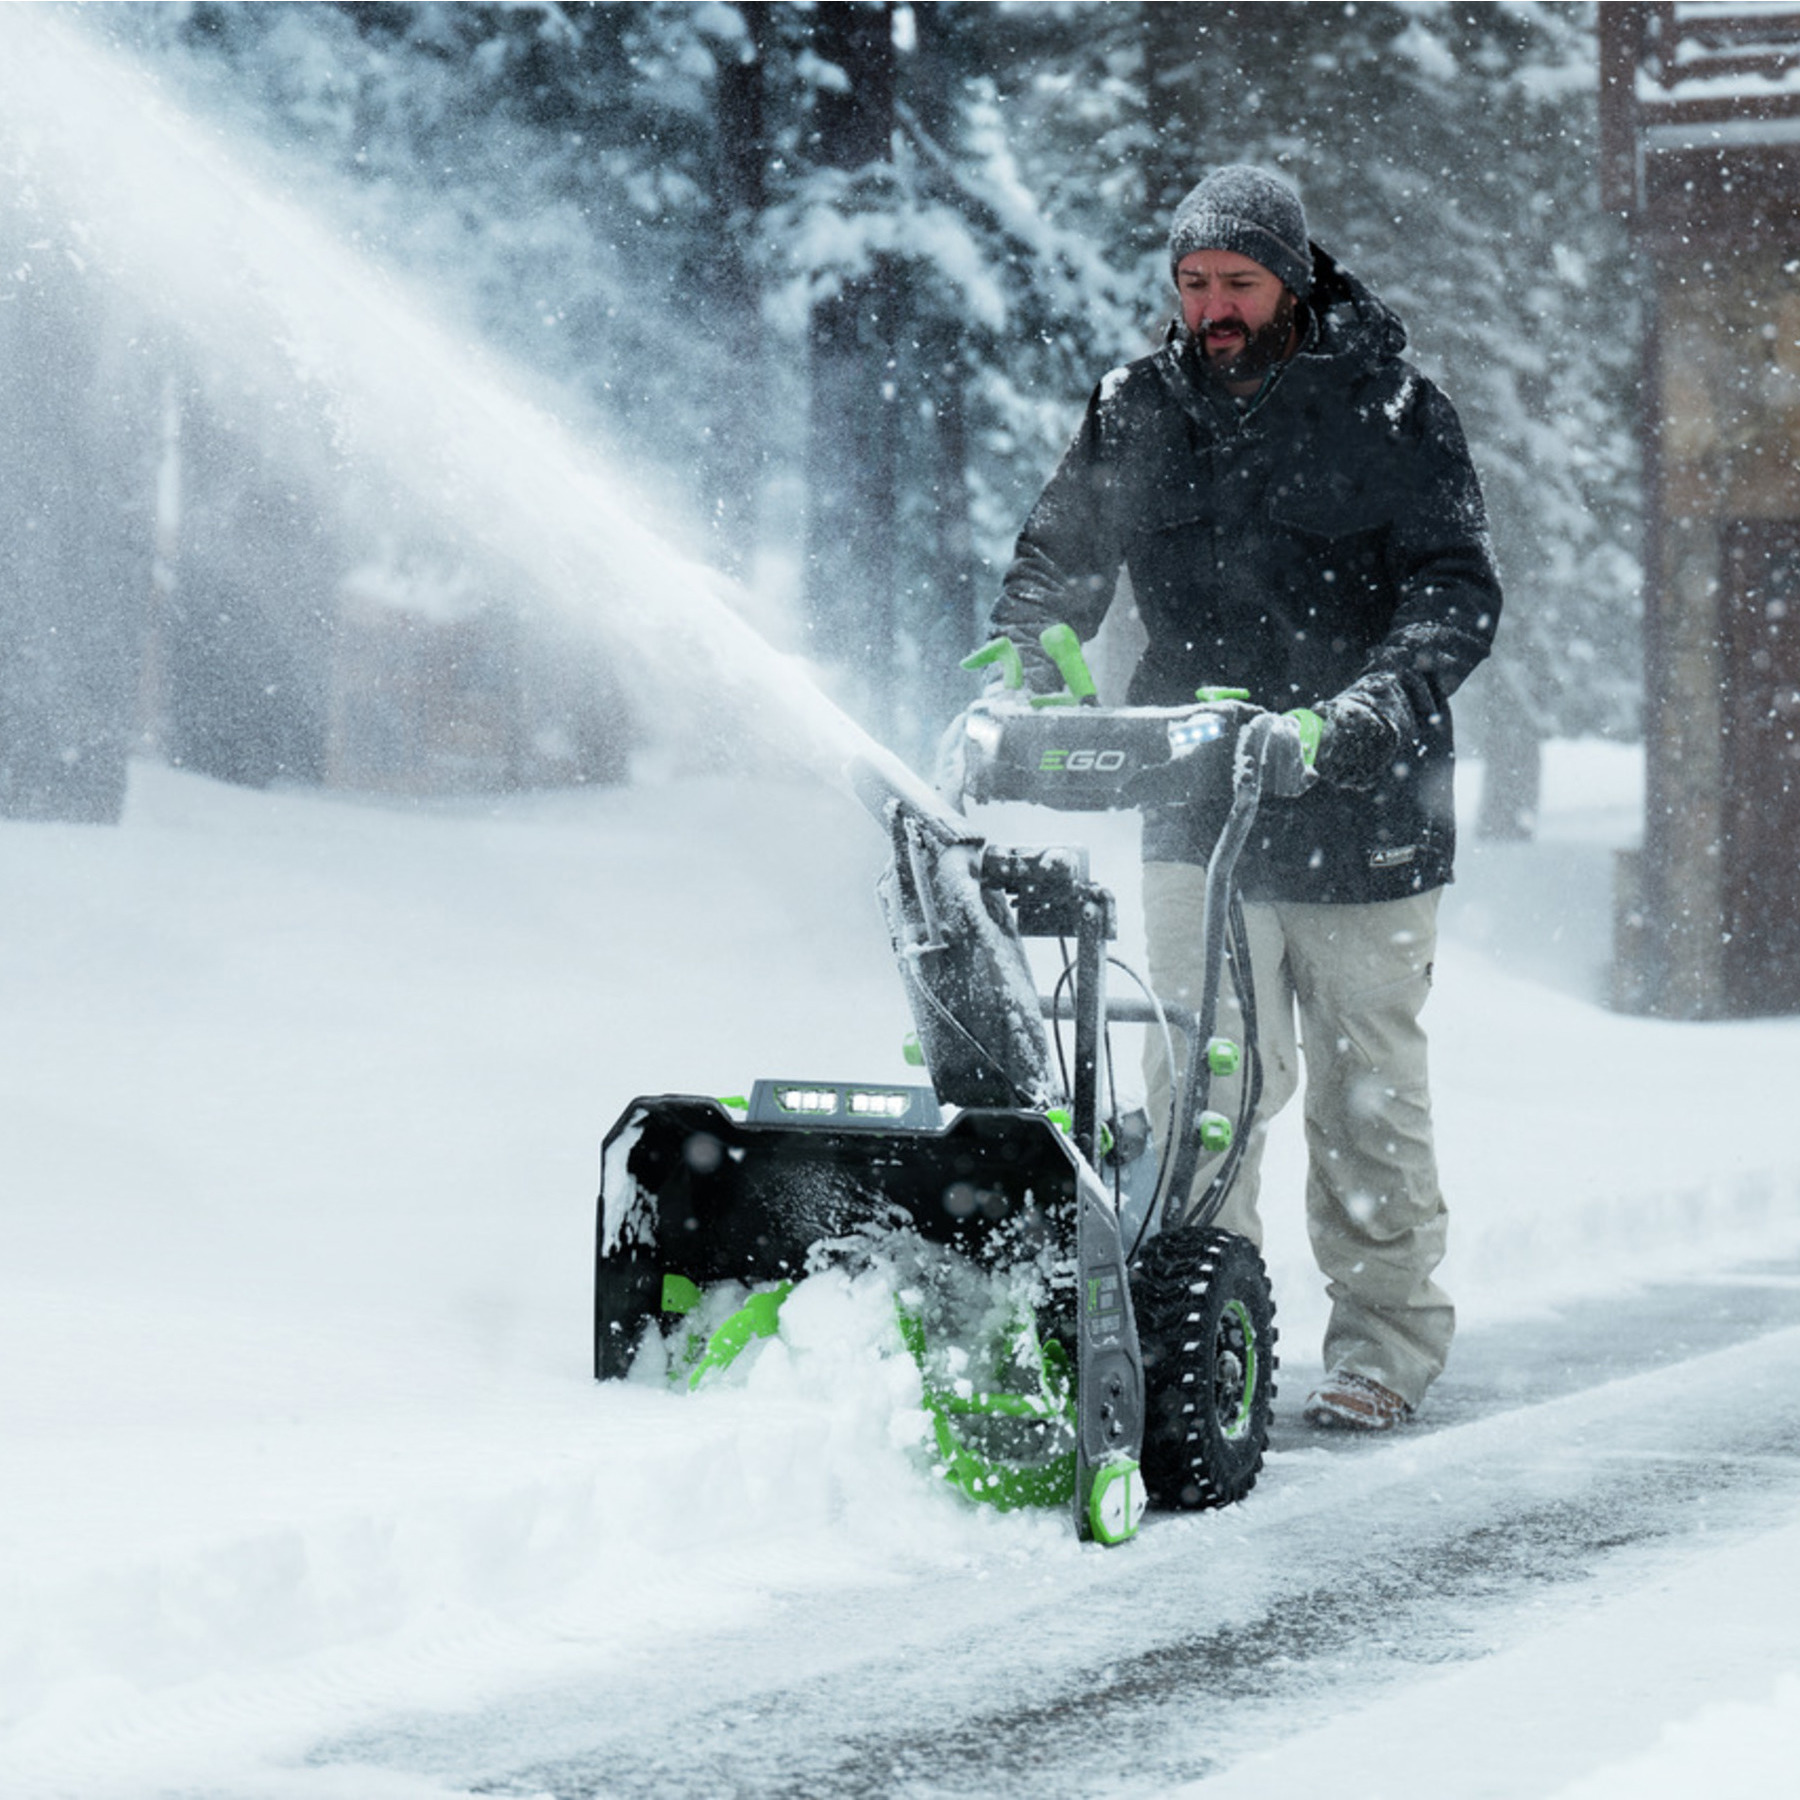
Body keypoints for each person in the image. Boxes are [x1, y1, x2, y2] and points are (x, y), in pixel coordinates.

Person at [987, 165, 1501, 1431]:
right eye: (1194, 283)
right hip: (1196, 790)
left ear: (1293, 280)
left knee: (1365, 1090)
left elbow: (1455, 595)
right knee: (1199, 1088)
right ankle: (1203, 1336)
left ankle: (1382, 1347)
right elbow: (1062, 551)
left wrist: (1368, 708)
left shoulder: (1387, 406)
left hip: (1363, 809)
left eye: (1240, 282)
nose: (1213, 307)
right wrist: (1032, 642)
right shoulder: (1138, 408)